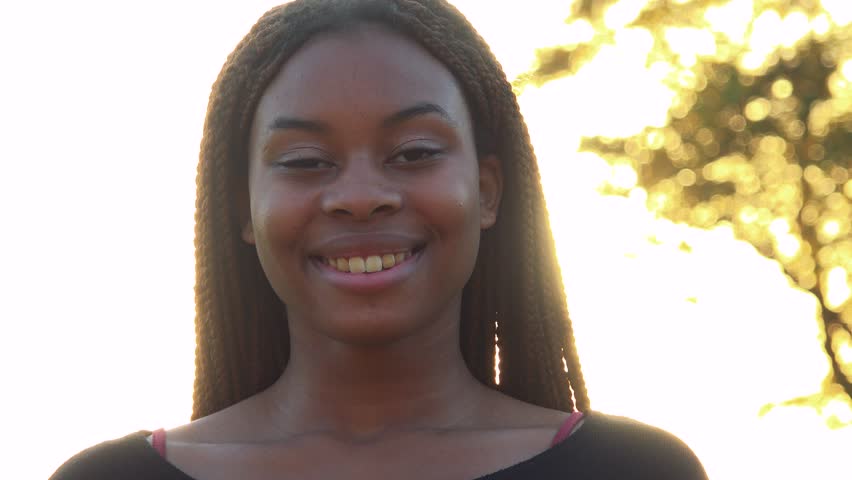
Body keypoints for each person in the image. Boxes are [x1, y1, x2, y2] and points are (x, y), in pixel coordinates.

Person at [51, 0, 708, 478]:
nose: (361, 195)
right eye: (307, 161)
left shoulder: (634, 470)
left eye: (414, 152)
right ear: (243, 210)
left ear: (486, 191)